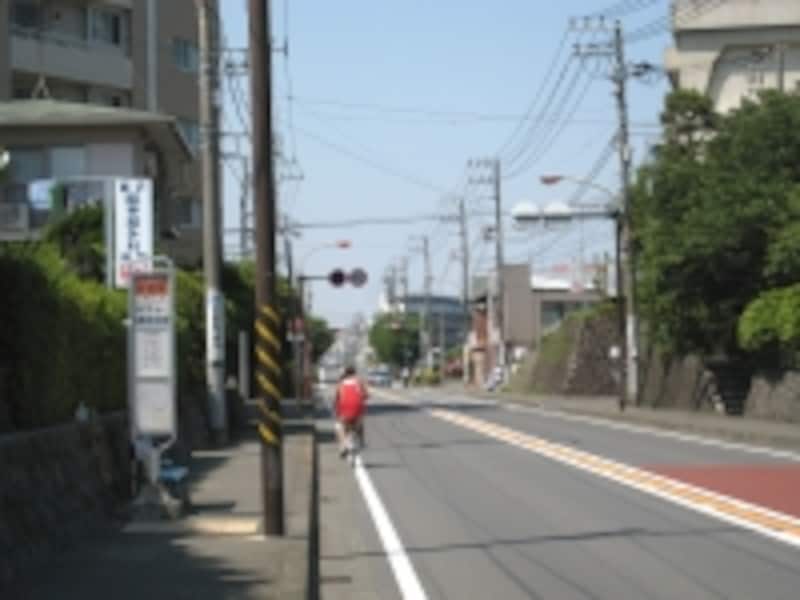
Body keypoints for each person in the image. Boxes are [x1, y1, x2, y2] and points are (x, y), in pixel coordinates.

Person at [334, 366, 368, 458]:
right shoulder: (359, 382)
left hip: (344, 408)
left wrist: (336, 410)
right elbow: (366, 395)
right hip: (358, 408)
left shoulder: (340, 383)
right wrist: (363, 398)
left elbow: (337, 398)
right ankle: (361, 441)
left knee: (339, 426)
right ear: (354, 373)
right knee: (360, 424)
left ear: (345, 374)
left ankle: (343, 446)